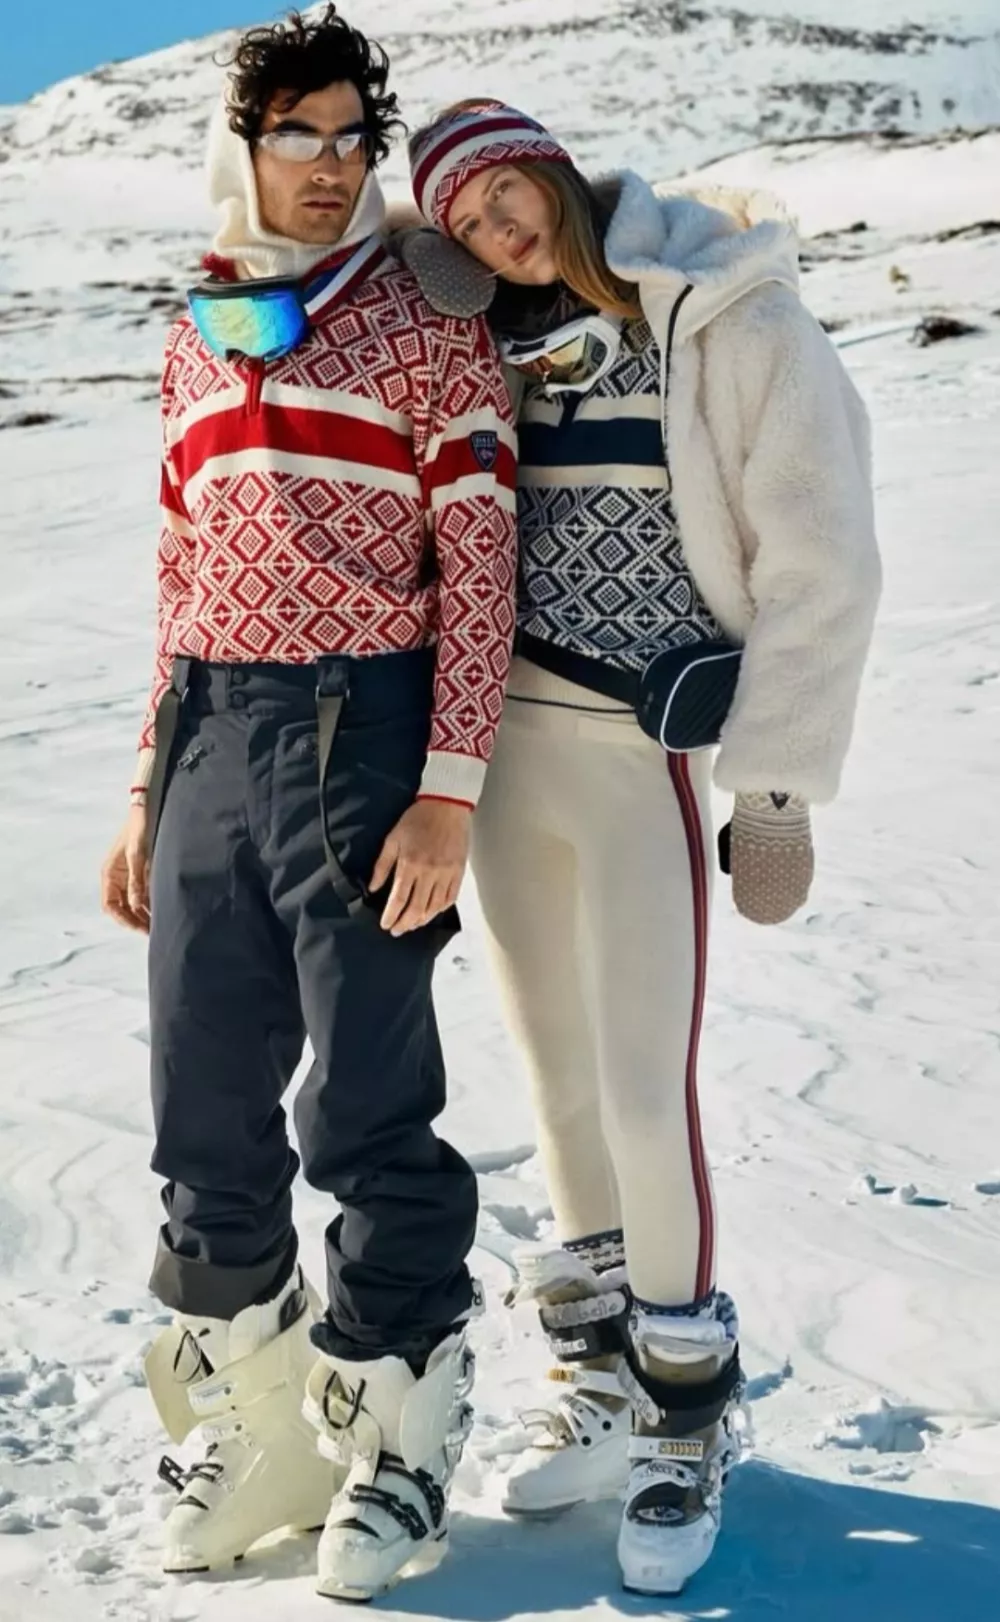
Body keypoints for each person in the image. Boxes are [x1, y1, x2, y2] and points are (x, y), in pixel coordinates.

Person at [406, 101, 881, 1595]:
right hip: (502, 757)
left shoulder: (728, 313)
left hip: (639, 757)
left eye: (503, 199)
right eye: (463, 226)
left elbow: (823, 557)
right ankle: (600, 1380)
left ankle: (685, 1420)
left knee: (638, 1079)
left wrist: (781, 787)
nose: (497, 233)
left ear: (551, 169)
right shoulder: (493, 334)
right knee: (553, 1084)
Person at [99, 17, 516, 1601]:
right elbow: (175, 565)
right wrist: (150, 780)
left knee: (361, 1101)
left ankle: (401, 1417)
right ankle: (264, 1422)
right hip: (211, 724)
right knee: (201, 1105)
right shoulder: (198, 322)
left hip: (365, 727)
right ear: (245, 144)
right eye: (301, 137)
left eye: (355, 138)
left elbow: (479, 562)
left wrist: (450, 793)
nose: (333, 168)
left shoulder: (427, 311)